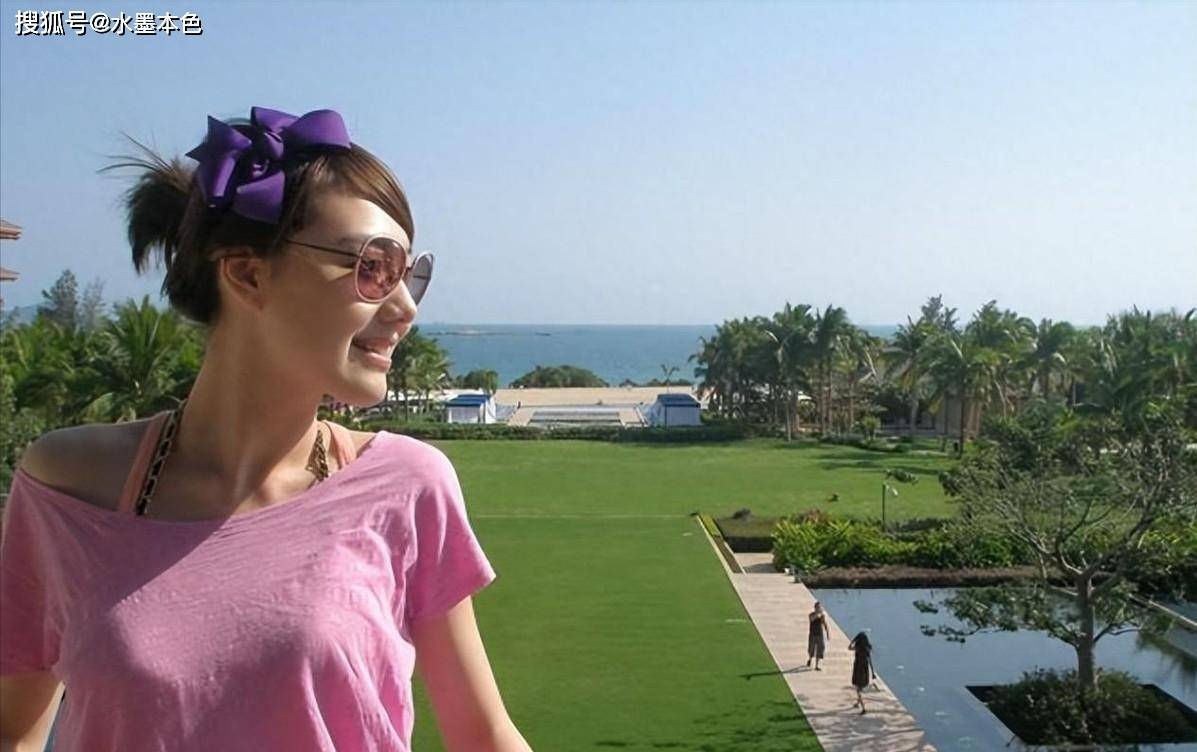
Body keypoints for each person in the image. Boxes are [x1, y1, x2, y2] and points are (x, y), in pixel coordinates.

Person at [0, 106, 533, 752]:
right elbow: (13, 732)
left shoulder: (408, 485)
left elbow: (483, 734)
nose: (405, 307)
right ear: (248, 274)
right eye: (373, 267)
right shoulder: (69, 488)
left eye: (410, 274)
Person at [848, 631, 876, 714]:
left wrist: (853, 641)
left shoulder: (857, 648)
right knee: (859, 688)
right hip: (865, 670)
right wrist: (873, 673)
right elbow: (870, 661)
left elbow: (849, 648)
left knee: (858, 689)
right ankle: (857, 703)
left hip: (858, 669)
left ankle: (863, 708)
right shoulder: (867, 649)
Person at [805, 601, 830, 670]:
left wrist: (827, 633)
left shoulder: (822, 616)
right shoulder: (811, 615)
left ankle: (817, 665)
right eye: (818, 607)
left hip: (820, 634)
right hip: (813, 634)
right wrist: (817, 615)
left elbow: (825, 624)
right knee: (811, 649)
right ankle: (810, 659)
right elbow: (811, 619)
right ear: (815, 608)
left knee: (820, 649)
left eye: (820, 607)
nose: (819, 608)